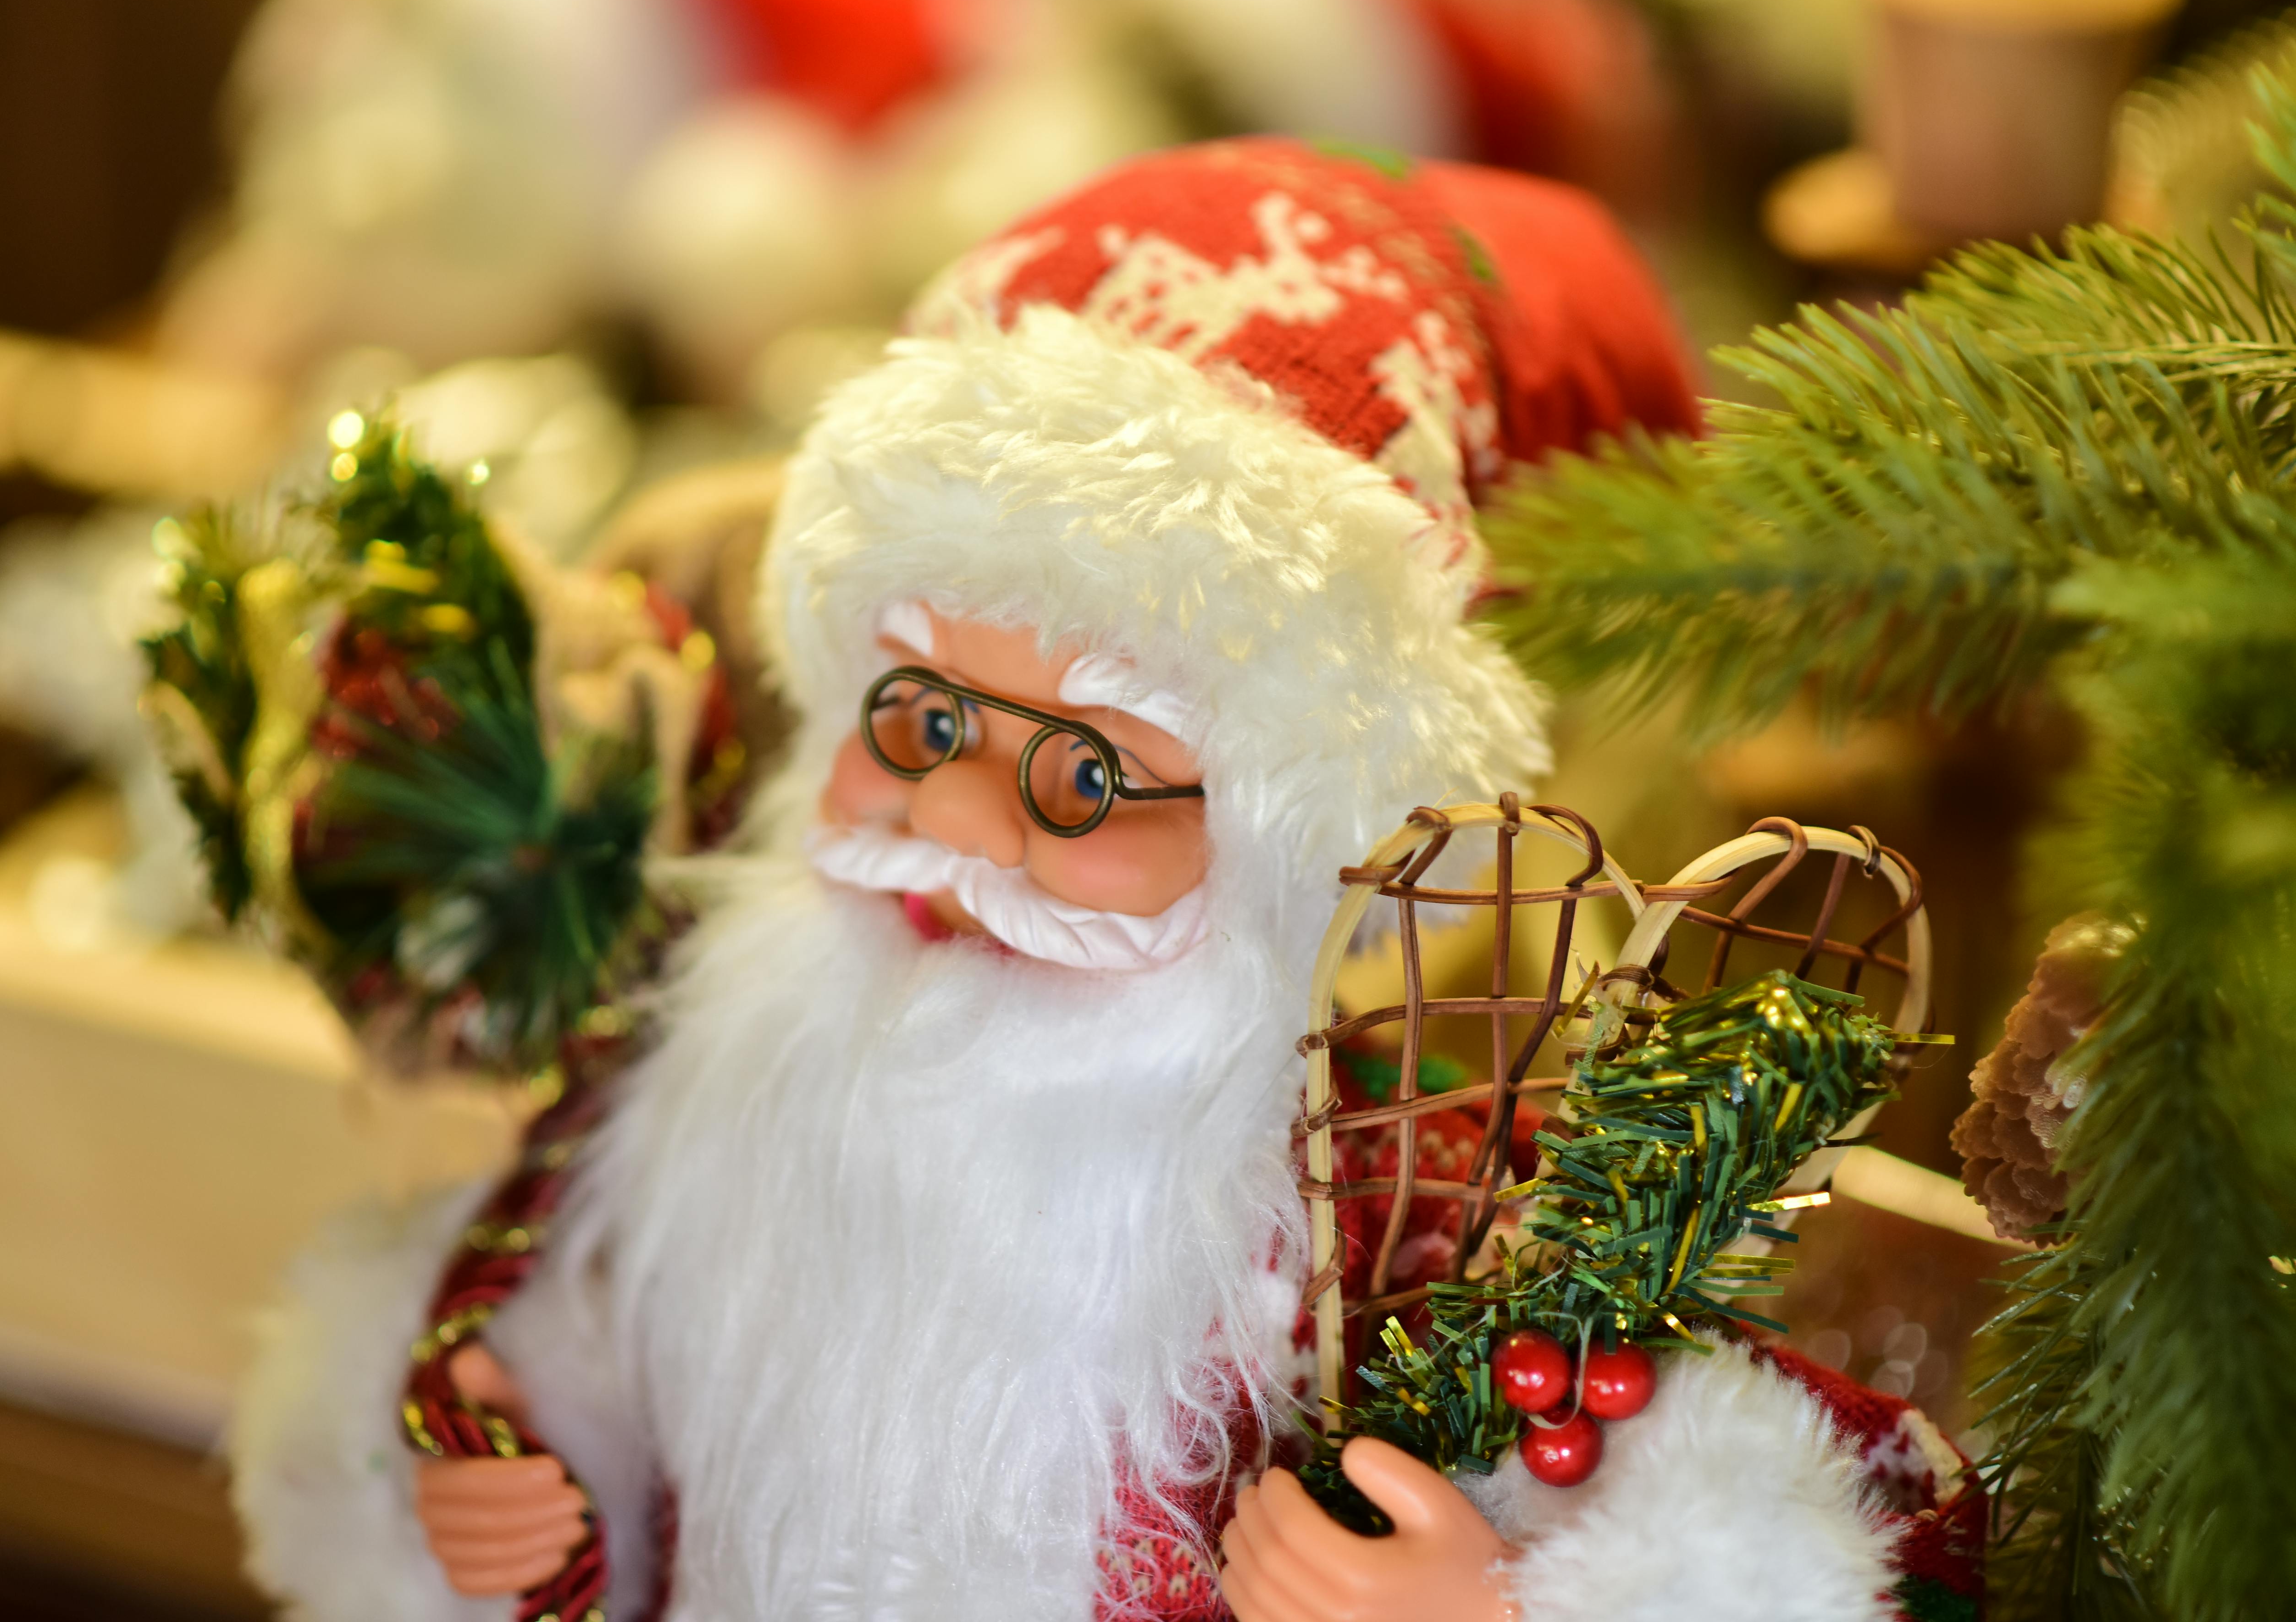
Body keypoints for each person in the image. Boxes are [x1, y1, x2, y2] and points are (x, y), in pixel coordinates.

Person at [229, 140, 1974, 1622]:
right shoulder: (702, 1095)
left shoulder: (1384, 1212)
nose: (969, 827)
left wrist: (1482, 1600)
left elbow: (1752, 1512)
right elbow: (595, 1353)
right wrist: (541, 1473)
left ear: (1291, 832)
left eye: (1084, 773)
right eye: (915, 718)